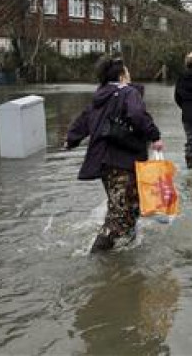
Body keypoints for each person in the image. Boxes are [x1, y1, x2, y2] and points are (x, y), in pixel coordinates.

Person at [64, 56, 163, 253]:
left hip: (105, 163)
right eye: (127, 71)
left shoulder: (100, 96)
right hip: (122, 162)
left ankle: (126, 249)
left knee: (131, 206)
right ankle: (96, 257)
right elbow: (136, 115)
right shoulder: (128, 93)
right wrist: (155, 136)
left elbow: (85, 118)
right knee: (120, 214)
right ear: (122, 75)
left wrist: (71, 139)